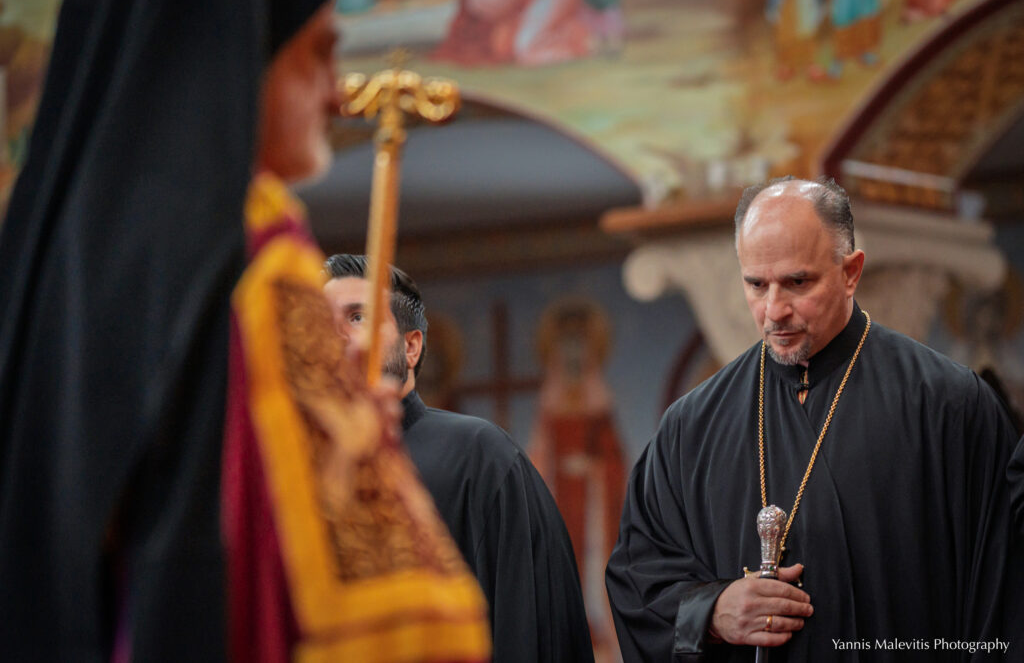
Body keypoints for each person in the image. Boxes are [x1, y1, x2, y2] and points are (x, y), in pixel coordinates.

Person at [0, 0, 489, 660]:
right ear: (231, 60)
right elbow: (411, 622)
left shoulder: (51, 259)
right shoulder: (256, 250)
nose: (336, 93)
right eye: (317, 55)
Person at [605, 177, 1021, 661]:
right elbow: (639, 581)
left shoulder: (949, 404)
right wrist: (711, 610)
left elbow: (1004, 597)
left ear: (851, 272)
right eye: (756, 284)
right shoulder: (690, 430)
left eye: (797, 282)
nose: (774, 310)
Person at [323, 253, 596, 663]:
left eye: (358, 318)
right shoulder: (291, 473)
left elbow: (531, 630)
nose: (335, 337)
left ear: (411, 348)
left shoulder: (481, 458)